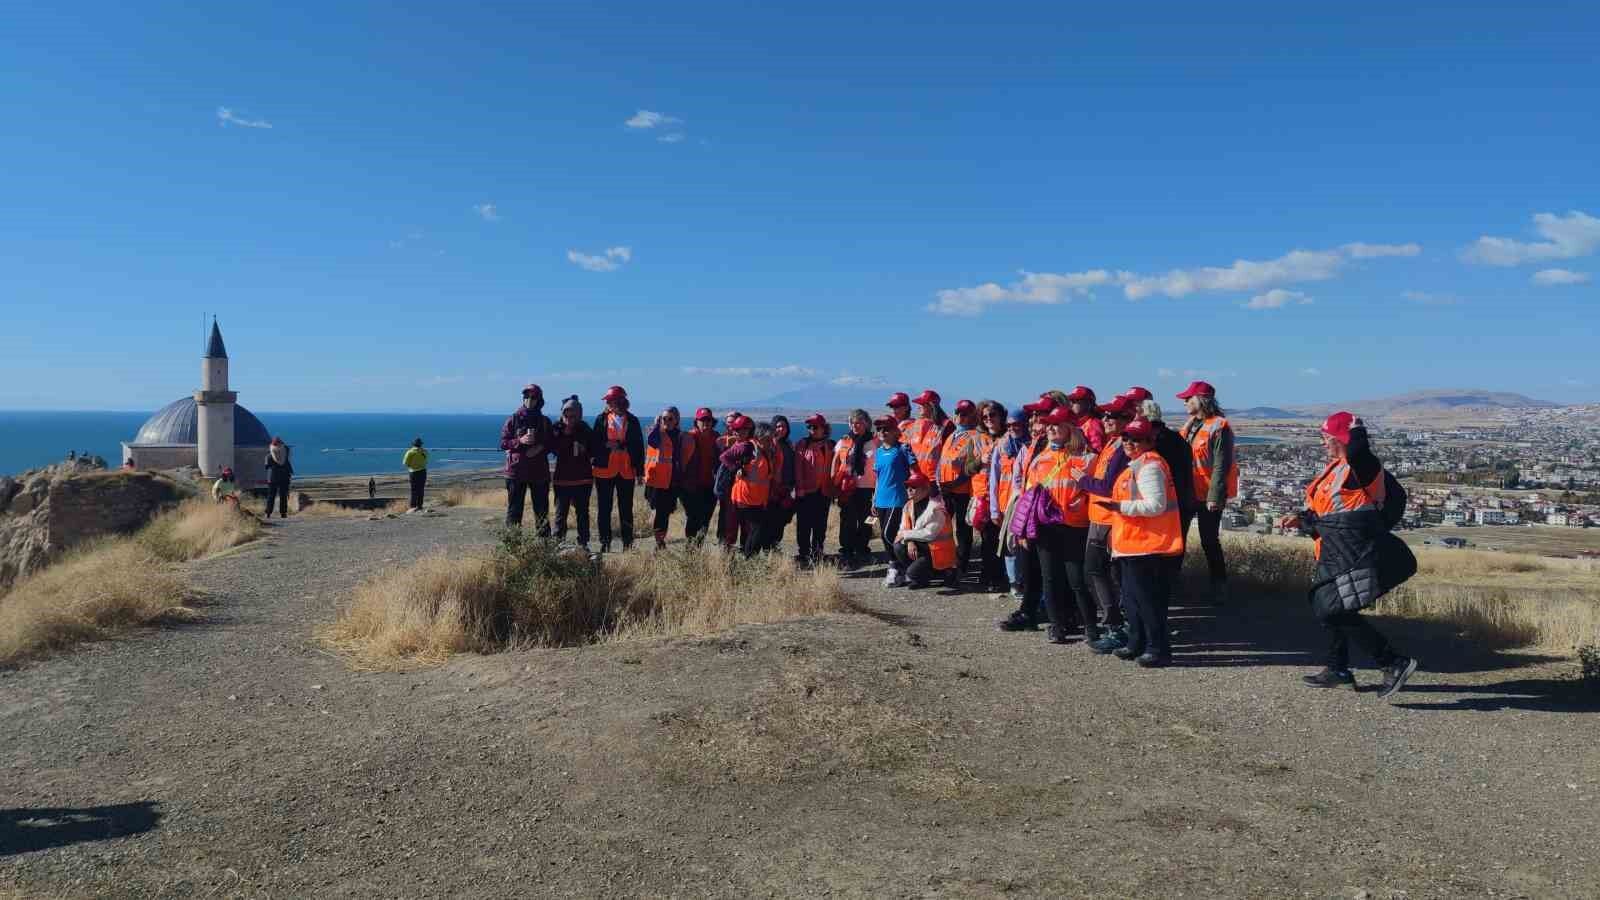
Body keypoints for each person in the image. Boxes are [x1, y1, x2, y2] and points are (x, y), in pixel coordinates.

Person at [1279, 413, 1418, 698]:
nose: (1322, 443)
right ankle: (1337, 668)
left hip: (1353, 553)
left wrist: (1355, 429)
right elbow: (1329, 513)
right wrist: (1301, 519)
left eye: (1326, 438)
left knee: (1331, 607)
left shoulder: (1363, 469)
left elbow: (1359, 452)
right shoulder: (1336, 468)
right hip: (1332, 550)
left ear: (1341, 439)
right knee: (1331, 608)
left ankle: (1393, 662)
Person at [1095, 417, 1184, 667]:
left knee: (1147, 602)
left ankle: (1158, 648)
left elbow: (1155, 505)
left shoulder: (1151, 466)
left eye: (1136, 439)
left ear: (1148, 441)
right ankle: (1136, 642)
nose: (1129, 443)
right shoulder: (1136, 465)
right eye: (1126, 438)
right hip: (1132, 544)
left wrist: (1118, 506)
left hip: (1147, 545)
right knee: (1133, 600)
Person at [999, 409, 1092, 641]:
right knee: (1050, 578)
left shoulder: (1087, 458)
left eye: (1057, 424)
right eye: (1048, 424)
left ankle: (1088, 625)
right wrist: (1023, 530)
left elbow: (1094, 491)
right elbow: (1029, 498)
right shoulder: (1039, 460)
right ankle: (1056, 625)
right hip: (1046, 528)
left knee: (1076, 579)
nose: (1050, 428)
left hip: (1075, 527)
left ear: (1071, 428)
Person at [1078, 395, 1137, 652]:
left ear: (1127, 418)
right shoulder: (1112, 444)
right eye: (1104, 416)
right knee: (1103, 573)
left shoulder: (1122, 448)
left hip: (1108, 520)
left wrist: (1081, 480)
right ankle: (1118, 625)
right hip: (1099, 517)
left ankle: (1116, 626)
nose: (1105, 420)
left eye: (1111, 416)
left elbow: (1108, 487)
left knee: (1096, 571)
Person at [1177, 380, 1239, 605]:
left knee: (1209, 541)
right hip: (1187, 492)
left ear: (1201, 400)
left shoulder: (1219, 425)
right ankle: (1174, 583)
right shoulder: (1190, 424)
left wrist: (1215, 496)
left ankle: (1219, 585)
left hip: (1208, 495)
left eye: (1188, 398)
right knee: (1178, 541)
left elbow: (1222, 465)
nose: (1184, 402)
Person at [1140, 399, 1199, 598]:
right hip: (1181, 503)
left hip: (1168, 505)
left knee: (1163, 554)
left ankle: (1163, 592)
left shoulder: (1157, 444)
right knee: (1172, 551)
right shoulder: (1178, 440)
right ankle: (1168, 588)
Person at [936, 399, 986, 582]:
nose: (960, 416)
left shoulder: (975, 436)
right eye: (957, 412)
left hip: (962, 490)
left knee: (963, 531)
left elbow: (974, 466)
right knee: (943, 527)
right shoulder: (952, 435)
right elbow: (944, 460)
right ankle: (944, 562)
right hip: (946, 489)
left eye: (964, 413)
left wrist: (956, 483)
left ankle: (961, 566)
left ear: (973, 416)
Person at [591, 385, 645, 552]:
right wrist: (606, 445)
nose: (608, 404)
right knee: (604, 508)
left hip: (626, 471)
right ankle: (604, 543)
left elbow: (638, 447)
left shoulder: (633, 421)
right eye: (607, 401)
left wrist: (640, 472)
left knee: (626, 509)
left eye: (611, 401)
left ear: (621, 401)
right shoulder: (601, 419)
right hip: (604, 471)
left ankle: (627, 544)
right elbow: (594, 444)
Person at [888, 471, 957, 588]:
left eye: (913, 487)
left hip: (938, 552)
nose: (909, 490)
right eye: (907, 487)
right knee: (898, 546)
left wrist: (907, 535)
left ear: (925, 489)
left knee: (910, 573)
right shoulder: (908, 506)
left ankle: (944, 572)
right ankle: (921, 577)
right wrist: (910, 541)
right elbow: (903, 528)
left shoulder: (936, 508)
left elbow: (929, 534)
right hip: (924, 548)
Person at [988, 406, 1030, 597]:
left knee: (1024, 544)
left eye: (1018, 424)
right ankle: (1013, 582)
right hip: (1006, 504)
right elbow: (994, 479)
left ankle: (1024, 580)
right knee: (1009, 545)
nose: (1014, 428)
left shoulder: (1031, 445)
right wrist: (994, 509)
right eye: (1010, 425)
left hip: (1026, 505)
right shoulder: (1002, 446)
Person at [501, 384, 554, 533]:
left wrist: (540, 447)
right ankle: (513, 545)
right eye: (526, 396)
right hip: (516, 472)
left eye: (533, 397)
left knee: (542, 511)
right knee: (514, 511)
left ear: (539, 400)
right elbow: (503, 443)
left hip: (539, 472)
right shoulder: (514, 419)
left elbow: (552, 443)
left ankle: (544, 547)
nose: (529, 400)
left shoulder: (545, 421)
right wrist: (520, 441)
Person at [720, 421, 777, 557]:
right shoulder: (748, 447)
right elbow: (724, 457)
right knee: (758, 528)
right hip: (744, 498)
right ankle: (750, 559)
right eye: (767, 439)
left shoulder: (766, 451)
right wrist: (737, 469)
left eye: (771, 439)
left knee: (755, 530)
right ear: (758, 436)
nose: (770, 442)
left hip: (756, 500)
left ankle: (748, 558)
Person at [830, 409, 878, 568]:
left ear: (866, 423)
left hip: (869, 488)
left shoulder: (875, 442)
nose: (855, 425)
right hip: (848, 487)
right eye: (852, 422)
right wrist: (834, 482)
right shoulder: (844, 441)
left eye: (859, 422)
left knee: (868, 520)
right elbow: (836, 462)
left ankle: (863, 548)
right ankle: (846, 550)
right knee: (847, 520)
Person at [872, 416, 918, 582]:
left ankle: (898, 566)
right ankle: (897, 567)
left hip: (897, 498)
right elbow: (878, 477)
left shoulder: (902, 449)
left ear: (894, 431)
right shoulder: (878, 452)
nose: (882, 432)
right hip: (881, 499)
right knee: (883, 535)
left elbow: (914, 471)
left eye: (886, 429)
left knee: (888, 533)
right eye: (879, 429)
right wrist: (874, 498)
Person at [970, 401, 1007, 592]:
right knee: (987, 539)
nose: (989, 419)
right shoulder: (977, 439)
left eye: (992, 415)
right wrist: (979, 461)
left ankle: (1002, 577)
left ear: (1000, 416)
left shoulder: (1009, 437)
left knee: (1002, 539)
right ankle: (988, 575)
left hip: (1003, 495)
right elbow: (967, 468)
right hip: (983, 495)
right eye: (985, 417)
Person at [551, 395, 595, 550]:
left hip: (583, 479)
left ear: (579, 414)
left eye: (573, 415)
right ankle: (557, 543)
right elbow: (552, 448)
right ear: (562, 414)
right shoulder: (556, 428)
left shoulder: (585, 429)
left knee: (582, 513)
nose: (569, 418)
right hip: (562, 479)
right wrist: (566, 434)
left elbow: (595, 450)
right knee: (560, 514)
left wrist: (586, 450)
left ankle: (583, 543)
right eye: (566, 414)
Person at [792, 413, 836, 565]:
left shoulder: (830, 445)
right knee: (804, 524)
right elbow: (797, 468)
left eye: (815, 427)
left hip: (824, 492)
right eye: (809, 427)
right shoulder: (802, 444)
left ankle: (817, 553)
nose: (812, 430)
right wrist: (800, 488)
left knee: (820, 524)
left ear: (823, 428)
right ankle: (803, 554)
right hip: (806, 492)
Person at [644, 407, 685, 549]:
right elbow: (652, 442)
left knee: (665, 512)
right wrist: (656, 426)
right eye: (664, 418)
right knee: (659, 511)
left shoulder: (680, 436)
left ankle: (660, 541)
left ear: (676, 420)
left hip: (672, 480)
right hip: (657, 480)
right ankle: (659, 541)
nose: (667, 421)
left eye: (670, 418)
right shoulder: (656, 433)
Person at [680, 408, 720, 544]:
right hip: (691, 486)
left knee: (705, 519)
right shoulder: (688, 436)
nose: (705, 423)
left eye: (708, 420)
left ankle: (698, 546)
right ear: (696, 421)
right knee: (693, 517)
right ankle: (690, 547)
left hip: (710, 485)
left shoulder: (716, 437)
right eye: (702, 420)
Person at [761, 416, 797, 552]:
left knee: (781, 520)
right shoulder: (769, 444)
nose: (780, 429)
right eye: (777, 426)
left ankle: (774, 546)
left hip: (786, 489)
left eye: (783, 426)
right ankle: (766, 548)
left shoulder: (789, 445)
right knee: (768, 520)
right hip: (770, 490)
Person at [902, 389, 952, 481]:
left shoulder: (946, 426)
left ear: (930, 406)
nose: (918, 407)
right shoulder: (917, 425)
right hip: (916, 477)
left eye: (921, 404)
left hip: (935, 480)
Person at [1064, 386, 1106, 452]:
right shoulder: (1075, 424)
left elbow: (1098, 452)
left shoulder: (1094, 424)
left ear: (1088, 403)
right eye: (1071, 401)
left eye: (1075, 400)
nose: (1071, 404)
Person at [264, 436, 293, 518]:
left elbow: (266, 466)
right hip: (284, 477)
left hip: (272, 478)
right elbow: (287, 448)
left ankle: (268, 513)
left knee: (271, 496)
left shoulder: (269, 456)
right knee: (283, 495)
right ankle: (283, 513)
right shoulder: (285, 453)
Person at [402, 437, 429, 510]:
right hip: (423, 471)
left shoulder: (410, 452)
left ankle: (413, 506)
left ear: (413, 444)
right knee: (421, 489)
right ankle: (420, 505)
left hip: (413, 472)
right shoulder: (424, 451)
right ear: (421, 444)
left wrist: (411, 465)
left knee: (414, 489)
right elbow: (427, 461)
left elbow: (405, 463)